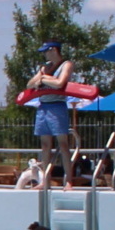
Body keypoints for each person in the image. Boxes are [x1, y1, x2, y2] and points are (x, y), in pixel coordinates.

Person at [25, 40, 82, 187]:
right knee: (45, 145)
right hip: (43, 106)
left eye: (46, 51)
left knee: (63, 144)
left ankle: (68, 180)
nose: (44, 54)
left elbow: (60, 83)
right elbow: (30, 84)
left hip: (57, 106)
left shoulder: (66, 64)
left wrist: (43, 78)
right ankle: (46, 180)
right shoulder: (44, 67)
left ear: (54, 50)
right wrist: (46, 78)